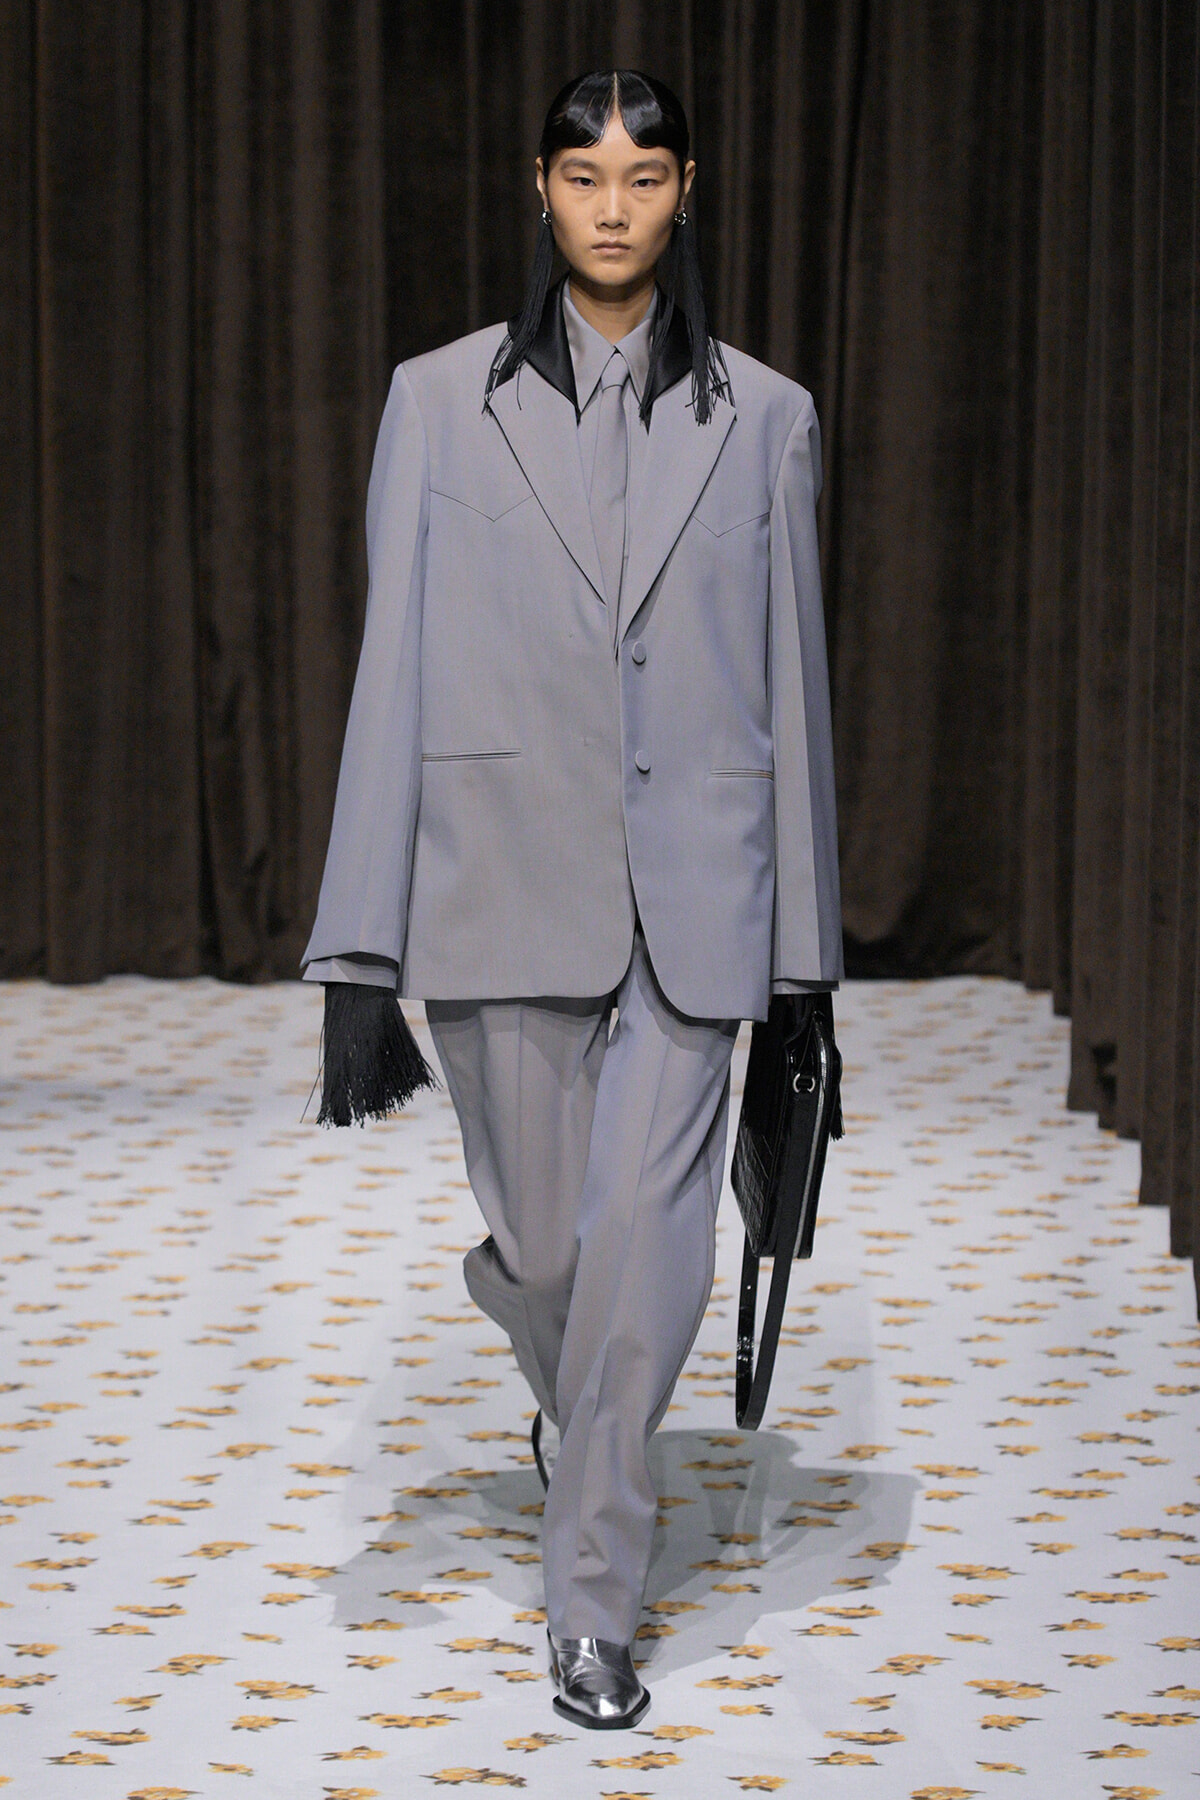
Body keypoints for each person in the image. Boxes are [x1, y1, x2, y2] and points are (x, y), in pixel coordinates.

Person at [302, 68, 842, 1730]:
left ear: (686, 195)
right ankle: (587, 1409)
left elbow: (794, 688)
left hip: (698, 899)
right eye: (587, 177)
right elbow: (394, 659)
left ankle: (592, 1593)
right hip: (497, 879)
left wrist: (803, 957)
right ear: (541, 190)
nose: (617, 209)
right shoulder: (436, 401)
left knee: (651, 1251)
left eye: (650, 177)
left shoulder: (764, 416)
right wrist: (360, 935)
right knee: (550, 1254)